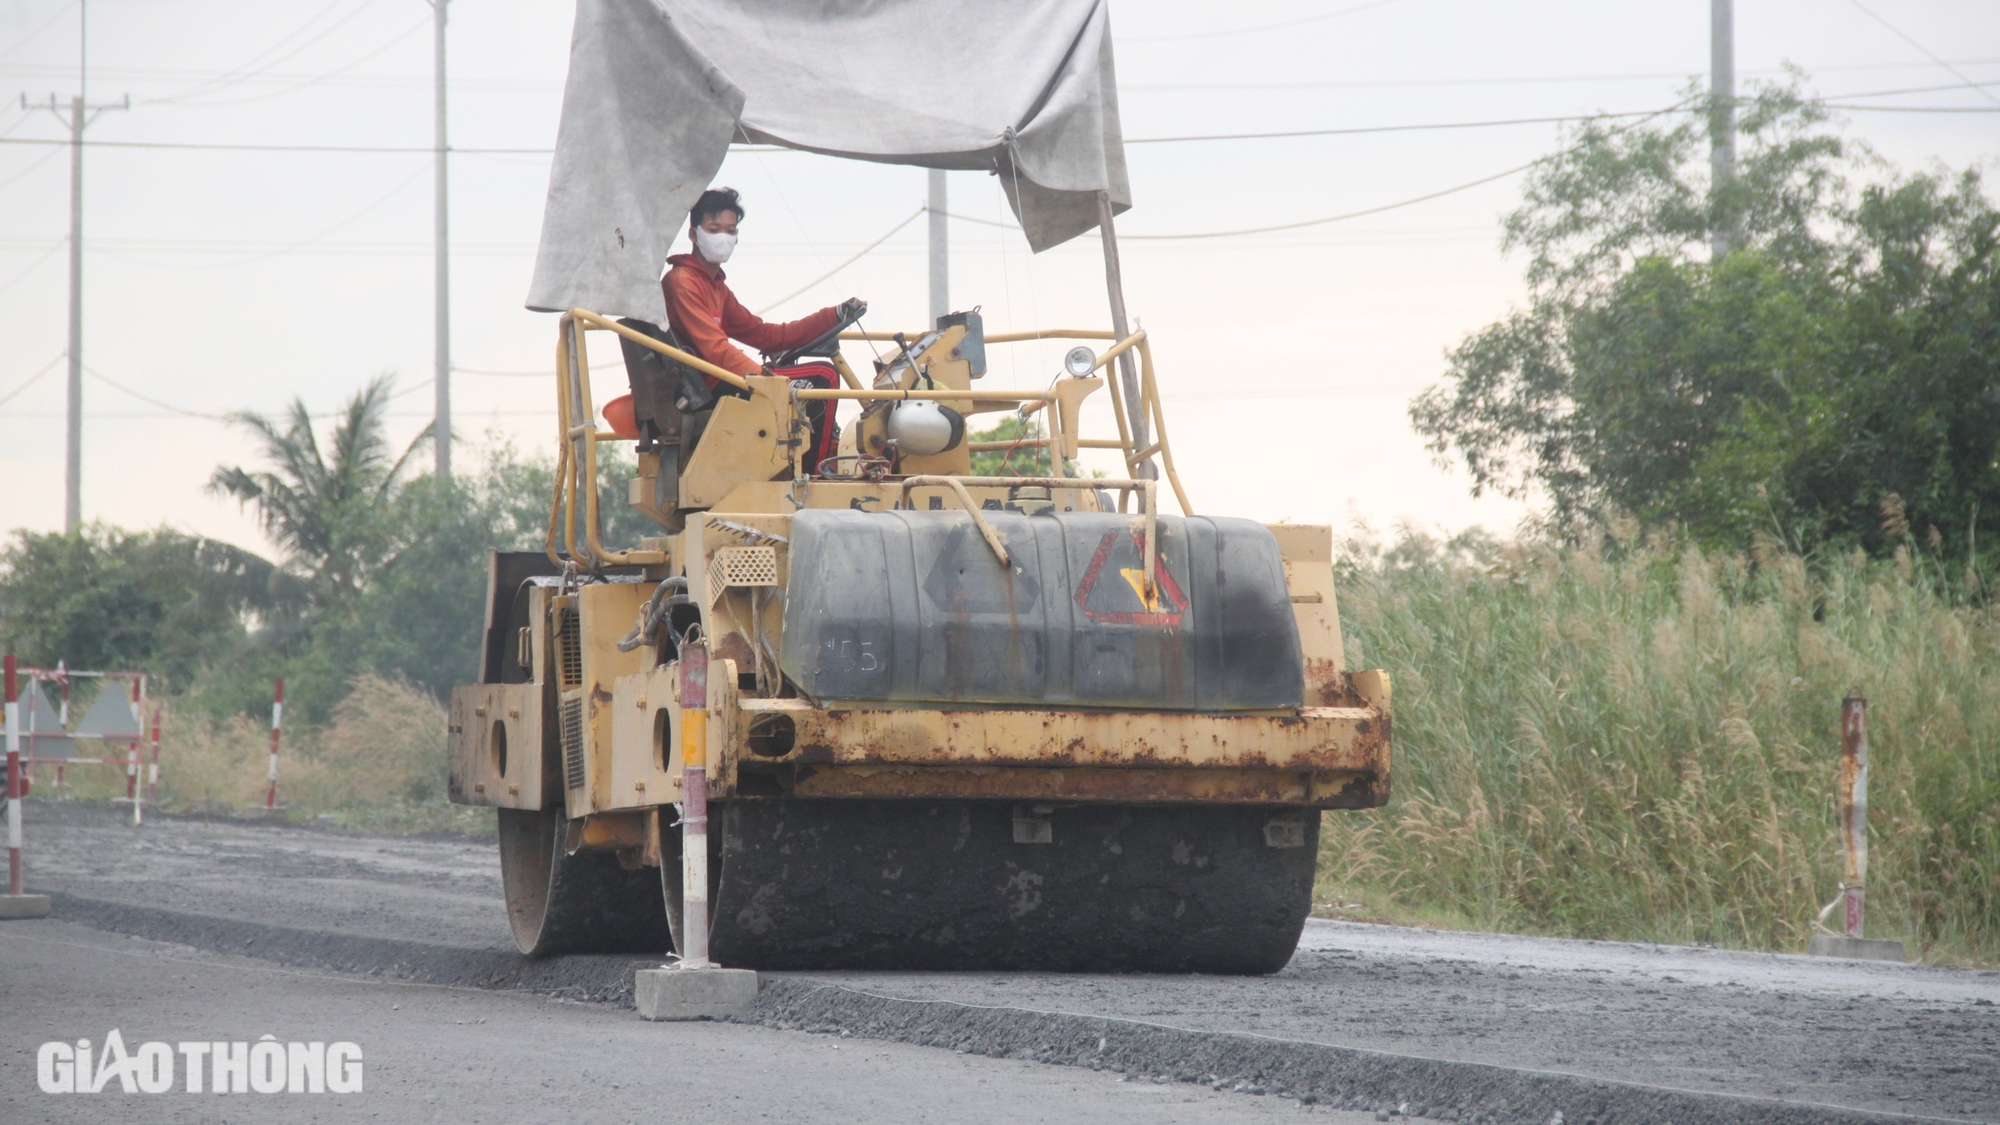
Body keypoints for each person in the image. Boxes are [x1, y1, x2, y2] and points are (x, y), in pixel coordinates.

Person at [661, 187, 862, 472]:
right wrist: (764, 379)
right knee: (822, 377)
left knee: (817, 375)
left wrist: (832, 316)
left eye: (730, 230)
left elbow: (765, 335)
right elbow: (715, 350)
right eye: (714, 229)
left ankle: (813, 463)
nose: (723, 237)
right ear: (693, 234)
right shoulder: (683, 282)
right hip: (706, 388)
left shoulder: (716, 285)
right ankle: (809, 476)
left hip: (722, 380)